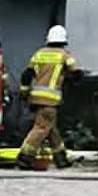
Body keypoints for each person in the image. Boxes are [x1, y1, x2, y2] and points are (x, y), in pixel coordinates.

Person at [17, 25, 78, 170]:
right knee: (41, 128)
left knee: (51, 129)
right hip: (50, 100)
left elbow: (27, 75)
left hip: (36, 98)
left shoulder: (39, 54)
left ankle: (61, 159)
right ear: (64, 40)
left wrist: (24, 93)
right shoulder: (65, 55)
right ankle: (24, 157)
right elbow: (76, 73)